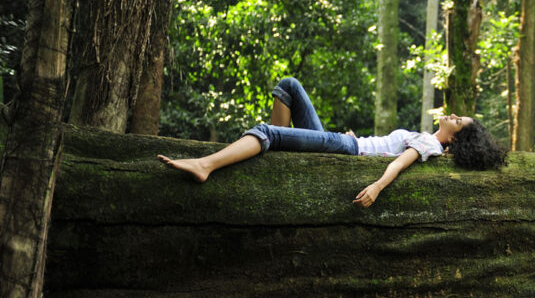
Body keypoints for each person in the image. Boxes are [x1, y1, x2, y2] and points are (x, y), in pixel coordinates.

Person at [158, 77, 507, 207]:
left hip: (346, 150)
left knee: (269, 130)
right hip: (349, 144)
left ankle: (205, 165)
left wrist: (377, 187)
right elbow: (385, 146)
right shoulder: (430, 137)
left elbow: (399, 162)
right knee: (290, 87)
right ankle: (275, 156)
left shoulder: (431, 146)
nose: (452, 115)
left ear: (456, 137)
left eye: (458, 120)